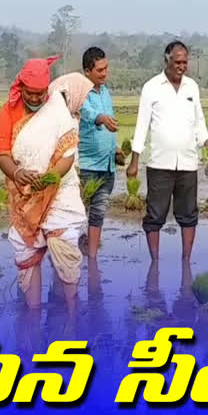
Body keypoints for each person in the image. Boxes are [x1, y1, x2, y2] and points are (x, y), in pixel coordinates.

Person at [0, 57, 87, 309]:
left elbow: (68, 152)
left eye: (40, 94)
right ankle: (32, 315)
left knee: (64, 245)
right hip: (25, 193)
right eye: (30, 93)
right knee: (28, 251)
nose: (35, 99)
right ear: (20, 87)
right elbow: (2, 154)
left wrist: (52, 177)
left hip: (59, 191)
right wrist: (17, 173)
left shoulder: (57, 108)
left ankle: (71, 314)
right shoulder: (9, 111)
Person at [127, 41, 208, 261]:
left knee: (188, 215)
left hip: (187, 163)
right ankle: (154, 262)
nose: (182, 66)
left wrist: (206, 141)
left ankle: (186, 260)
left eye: (185, 62)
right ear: (166, 60)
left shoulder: (191, 87)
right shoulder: (151, 87)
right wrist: (135, 160)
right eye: (177, 62)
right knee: (155, 215)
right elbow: (142, 125)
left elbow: (198, 121)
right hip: (159, 163)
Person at [71, 47, 124, 258]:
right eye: (100, 70)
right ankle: (69, 253)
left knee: (98, 212)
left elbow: (110, 122)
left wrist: (116, 148)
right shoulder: (80, 93)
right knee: (76, 212)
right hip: (87, 165)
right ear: (87, 71)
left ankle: (92, 258)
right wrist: (100, 118)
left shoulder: (105, 92)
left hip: (107, 165)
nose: (104, 73)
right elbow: (85, 111)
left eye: (106, 68)